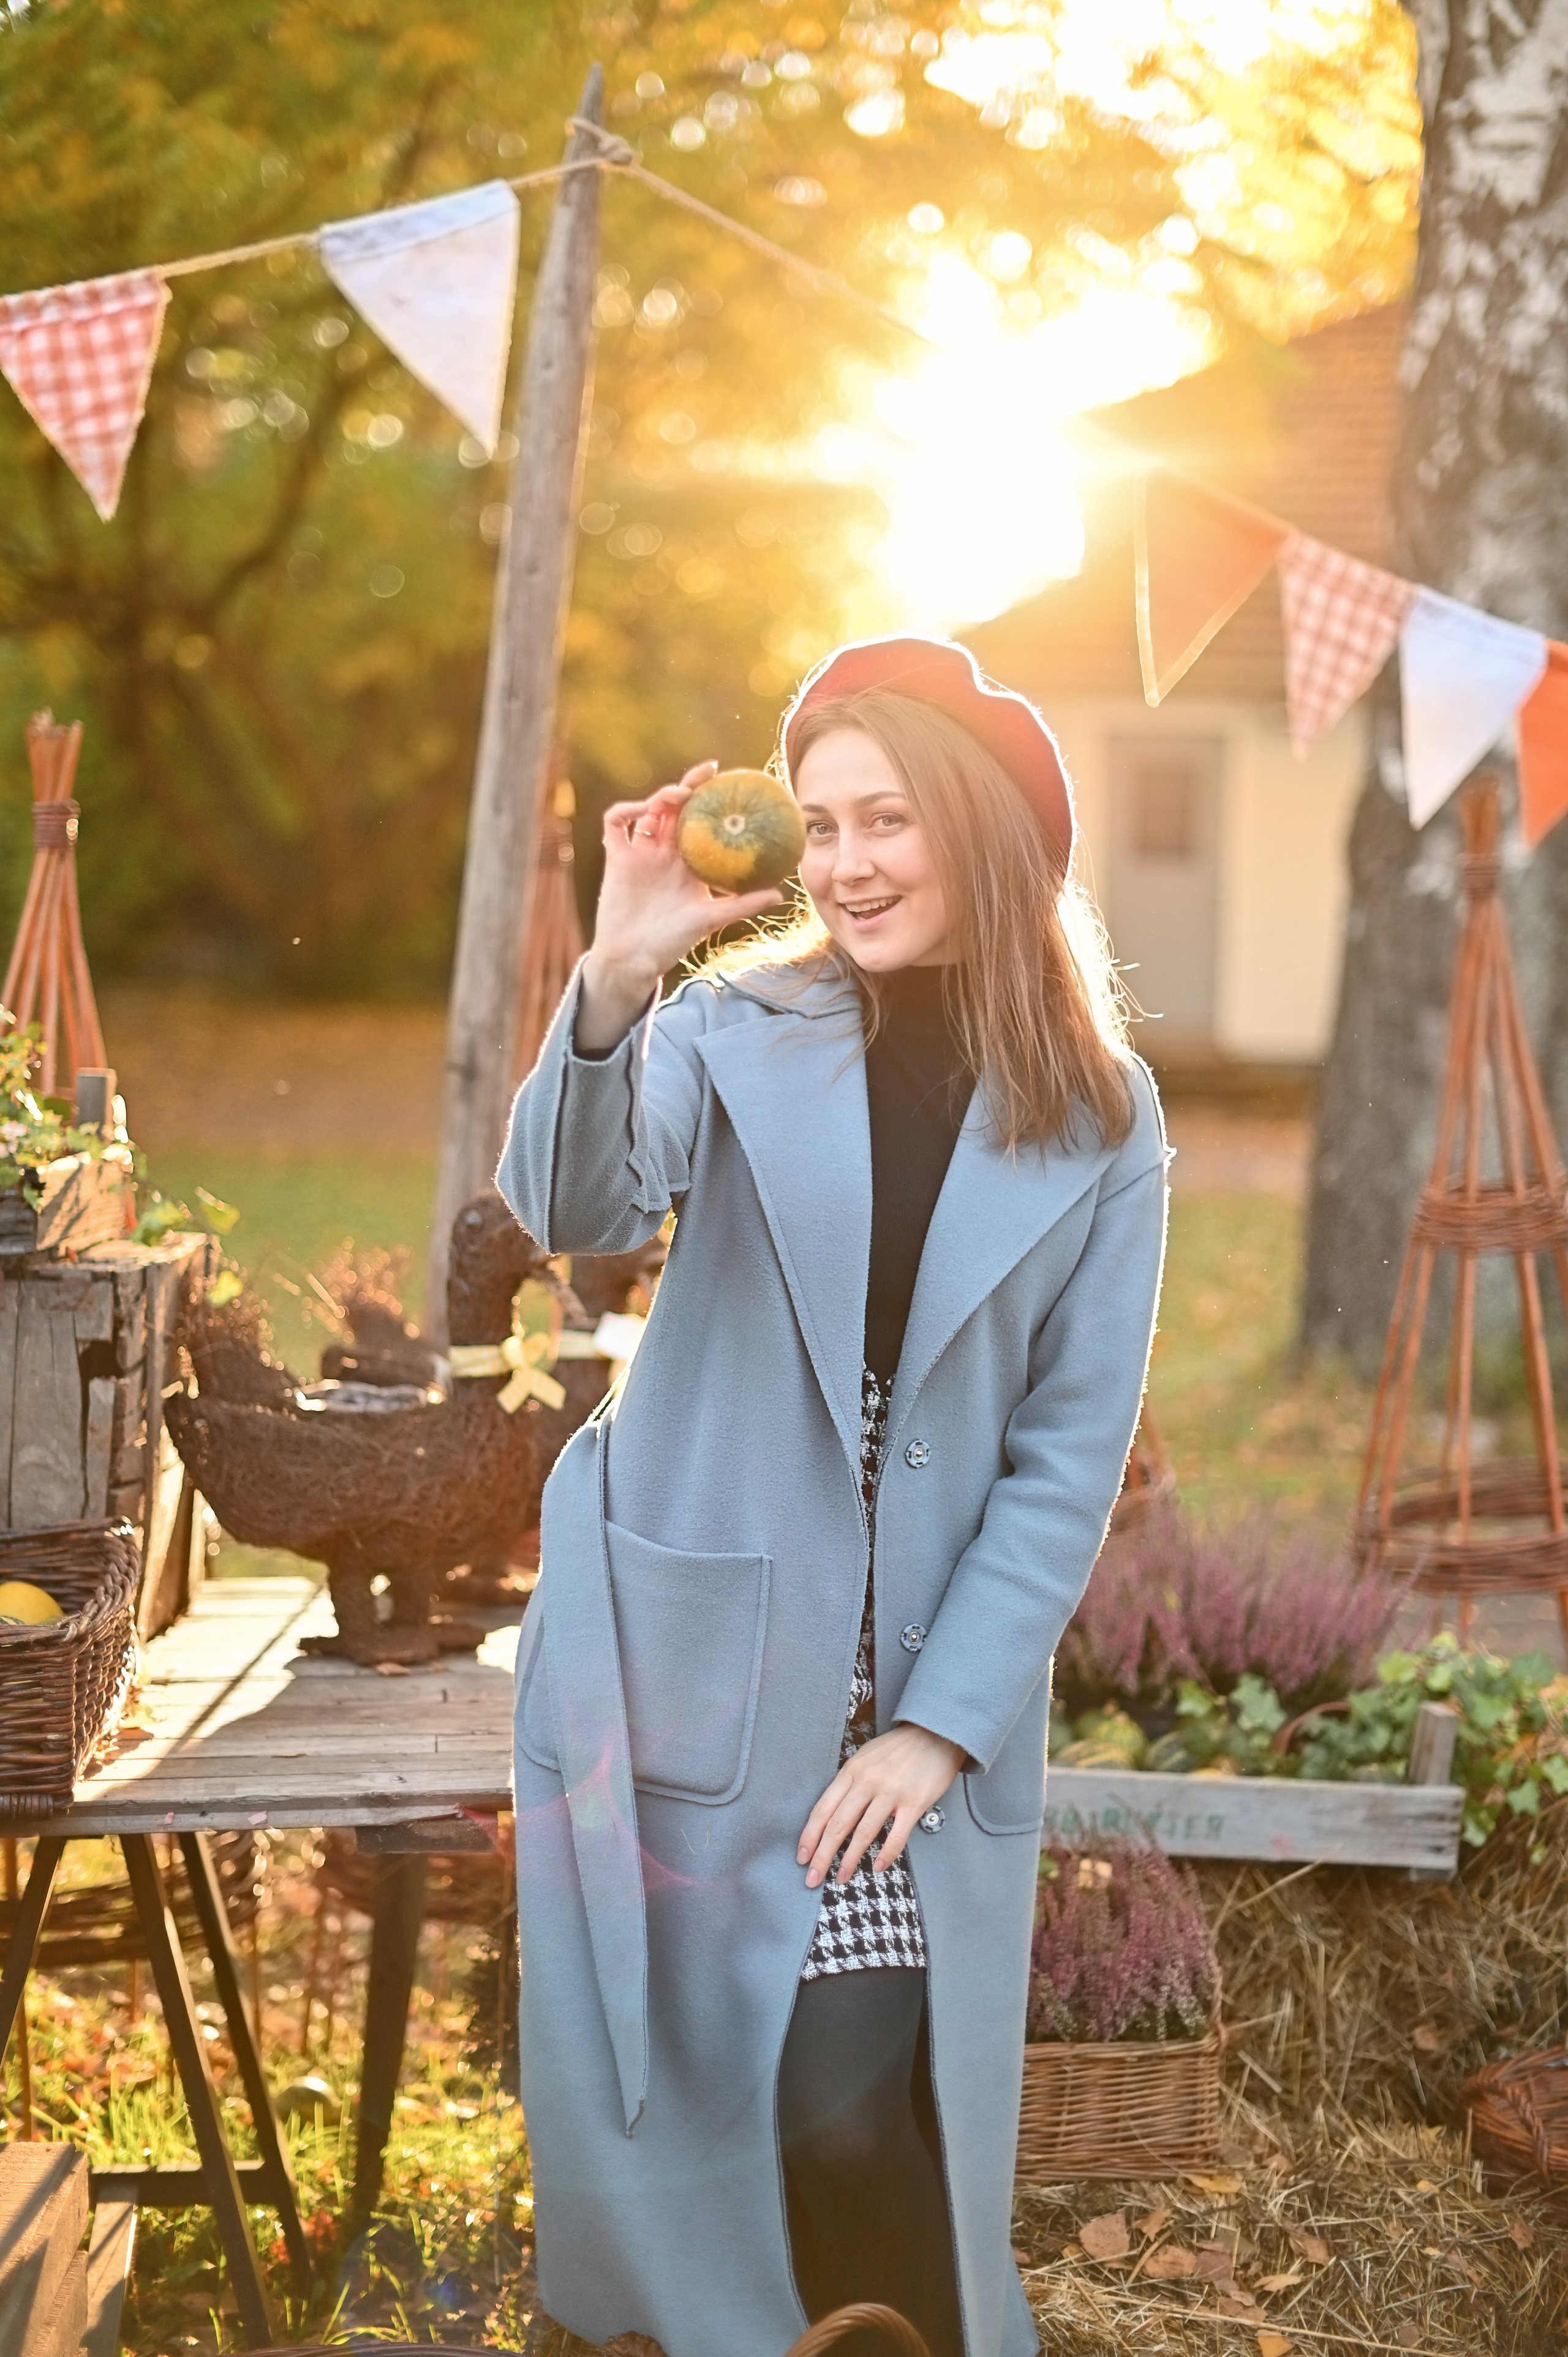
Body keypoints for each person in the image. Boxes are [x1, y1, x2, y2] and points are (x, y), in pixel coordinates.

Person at [498, 635, 1167, 2357]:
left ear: (983, 831)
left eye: (890, 820)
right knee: (738, 2111)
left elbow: (1063, 1459)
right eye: (823, 823)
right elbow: (574, 1205)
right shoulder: (728, 1024)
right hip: (704, 1642)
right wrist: (617, 975)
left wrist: (937, 1730)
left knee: (876, 2116)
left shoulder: (1102, 1116)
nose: (850, 862)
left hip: (918, 1683)